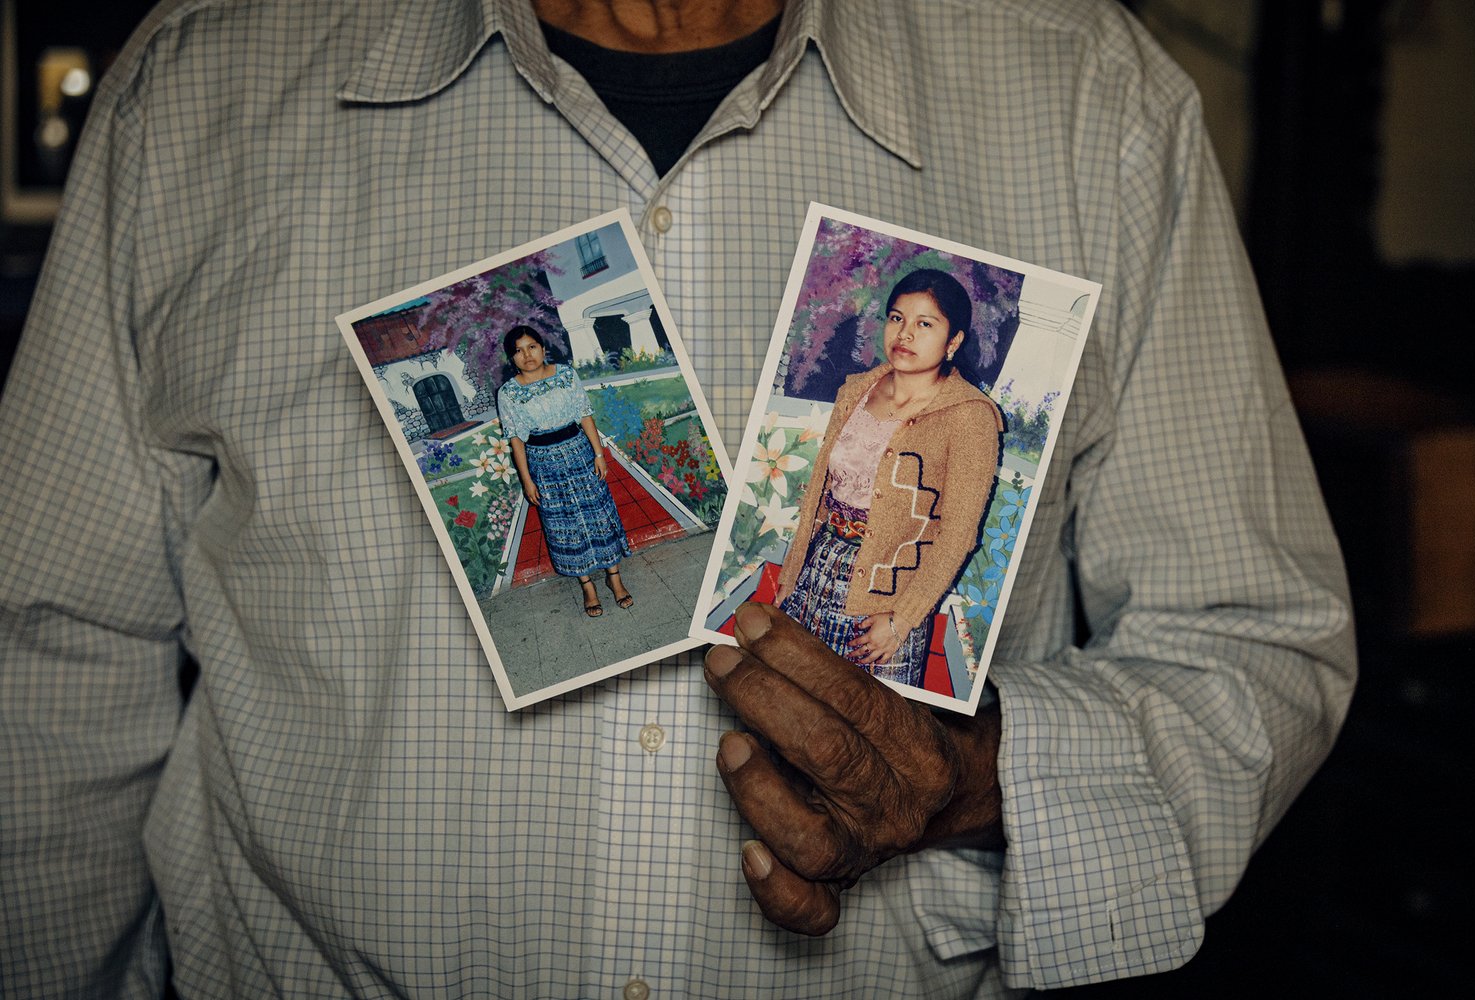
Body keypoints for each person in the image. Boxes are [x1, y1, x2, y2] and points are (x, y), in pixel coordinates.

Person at [0, 0, 1356, 996]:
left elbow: (1252, 634)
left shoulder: (1088, 98)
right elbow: (45, 664)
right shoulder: (195, 94)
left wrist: (979, 777)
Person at [775, 268, 1005, 687]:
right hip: (817, 573)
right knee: (794, 702)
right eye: (897, 318)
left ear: (953, 342)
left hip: (889, 599)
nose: (905, 333)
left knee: (872, 729)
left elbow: (958, 534)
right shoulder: (856, 391)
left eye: (925, 323)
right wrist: (794, 575)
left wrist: (902, 620)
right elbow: (819, 498)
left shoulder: (971, 417)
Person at [494, 324, 634, 616]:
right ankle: (587, 586)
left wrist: (599, 454)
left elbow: (584, 414)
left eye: (531, 346)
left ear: (543, 348)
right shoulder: (507, 393)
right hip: (542, 464)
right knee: (565, 525)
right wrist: (526, 480)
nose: (526, 355)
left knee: (598, 514)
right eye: (518, 351)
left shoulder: (566, 374)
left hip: (579, 453)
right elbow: (516, 439)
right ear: (512, 358)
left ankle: (614, 579)